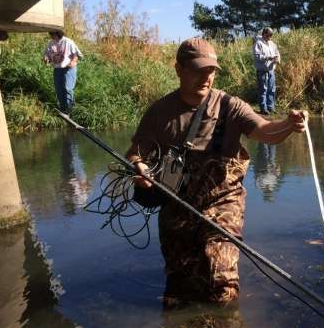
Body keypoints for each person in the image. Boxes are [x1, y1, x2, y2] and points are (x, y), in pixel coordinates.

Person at [125, 37, 306, 307]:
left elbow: (265, 132)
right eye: (198, 70)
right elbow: (135, 154)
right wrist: (139, 169)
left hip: (222, 203)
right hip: (176, 205)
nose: (206, 77)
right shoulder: (160, 113)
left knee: (221, 280)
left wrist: (288, 125)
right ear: (179, 70)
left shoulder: (229, 106)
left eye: (211, 71)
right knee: (179, 288)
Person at [43, 29, 83, 114]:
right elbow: (47, 55)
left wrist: (73, 61)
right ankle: (63, 109)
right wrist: (46, 59)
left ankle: (69, 109)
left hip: (68, 68)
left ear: (58, 33)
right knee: (59, 89)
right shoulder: (50, 43)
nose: (52, 36)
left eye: (54, 34)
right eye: (51, 34)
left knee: (67, 89)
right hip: (57, 69)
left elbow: (77, 55)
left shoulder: (68, 42)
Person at [252, 27, 281, 115]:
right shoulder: (258, 43)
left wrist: (278, 59)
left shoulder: (272, 43)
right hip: (262, 70)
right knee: (263, 89)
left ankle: (271, 108)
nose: (270, 37)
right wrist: (268, 57)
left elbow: (277, 53)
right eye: (269, 35)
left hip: (271, 70)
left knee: (272, 89)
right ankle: (263, 108)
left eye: (271, 35)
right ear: (264, 34)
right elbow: (257, 56)